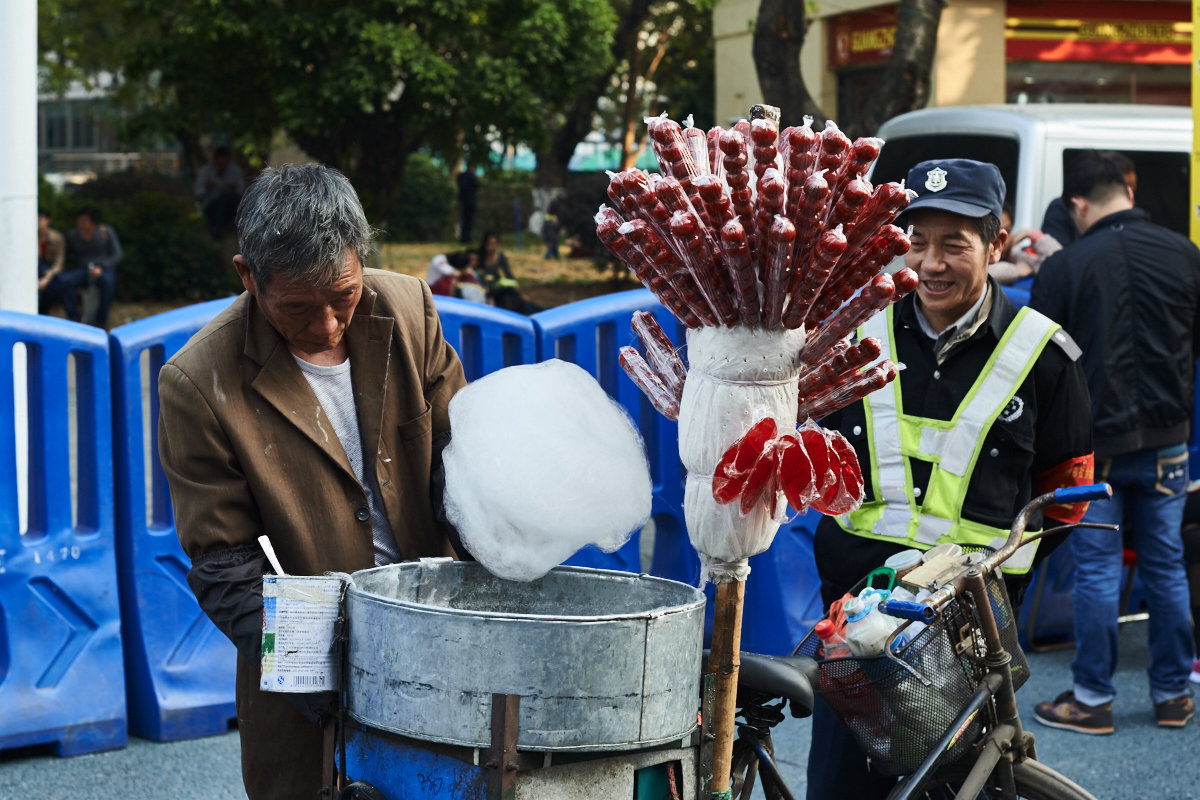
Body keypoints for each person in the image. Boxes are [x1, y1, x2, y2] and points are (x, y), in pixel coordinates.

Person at [156, 163, 467, 800]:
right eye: (296, 307)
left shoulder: (408, 307)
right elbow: (223, 563)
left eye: (343, 296)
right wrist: (333, 676)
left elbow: (457, 462)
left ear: (361, 259)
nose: (327, 325)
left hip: (440, 643)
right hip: (305, 680)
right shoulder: (198, 382)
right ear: (248, 276)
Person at [807, 158, 1095, 799]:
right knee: (840, 787)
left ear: (997, 244)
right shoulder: (855, 339)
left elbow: (1068, 493)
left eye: (953, 245)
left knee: (965, 784)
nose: (930, 263)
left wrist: (997, 576)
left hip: (969, 632)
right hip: (851, 623)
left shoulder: (1043, 355)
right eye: (917, 242)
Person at [1030, 150, 1198, 734]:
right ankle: (1174, 695)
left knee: (1098, 569)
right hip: (1170, 441)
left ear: (1077, 205)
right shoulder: (1185, 255)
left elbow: (1040, 363)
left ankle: (1093, 699)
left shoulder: (1066, 267)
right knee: (1167, 564)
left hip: (1094, 445)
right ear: (1126, 189)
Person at [1041, 151, 1136, 248]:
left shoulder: (1131, 216)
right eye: (1123, 186)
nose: (1127, 193)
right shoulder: (1062, 208)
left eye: (1132, 188)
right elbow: (1055, 254)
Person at [57, 206, 122, 327]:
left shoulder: (105, 232)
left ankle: (101, 319)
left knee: (108, 282)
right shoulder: (73, 235)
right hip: (83, 270)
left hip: (103, 269)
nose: (80, 224)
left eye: (84, 221)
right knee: (64, 280)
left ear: (94, 223)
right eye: (79, 220)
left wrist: (102, 267)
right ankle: (74, 317)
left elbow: (117, 254)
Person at [988, 202, 1061, 286]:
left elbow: (1059, 262)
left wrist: (1030, 233)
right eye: (996, 232)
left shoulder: (1014, 256)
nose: (1003, 237)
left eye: (1008, 230)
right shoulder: (977, 255)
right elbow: (984, 272)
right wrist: (1016, 271)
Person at [477, 230, 540, 314]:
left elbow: (509, 274)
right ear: (485, 244)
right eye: (490, 244)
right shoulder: (479, 256)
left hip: (497, 286)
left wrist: (519, 292)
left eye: (495, 244)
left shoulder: (500, 256)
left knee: (514, 294)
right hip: (486, 288)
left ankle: (536, 311)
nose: (493, 247)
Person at [194, 144, 245, 242]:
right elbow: (198, 193)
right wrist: (207, 187)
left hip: (232, 207)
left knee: (228, 198)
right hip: (211, 207)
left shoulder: (235, 170)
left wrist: (231, 187)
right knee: (222, 201)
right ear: (214, 160)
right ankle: (217, 230)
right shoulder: (206, 171)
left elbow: (241, 191)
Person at [36, 207, 66, 315]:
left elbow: (59, 263)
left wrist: (47, 278)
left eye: (40, 219)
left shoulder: (57, 238)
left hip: (51, 272)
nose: (37, 221)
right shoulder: (30, 236)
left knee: (58, 285)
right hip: (36, 271)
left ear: (48, 221)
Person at [456, 166, 479, 244]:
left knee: (464, 220)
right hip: (471, 201)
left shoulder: (461, 176)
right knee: (469, 221)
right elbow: (476, 186)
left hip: (463, 201)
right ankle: (467, 238)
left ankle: (463, 238)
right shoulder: (472, 176)